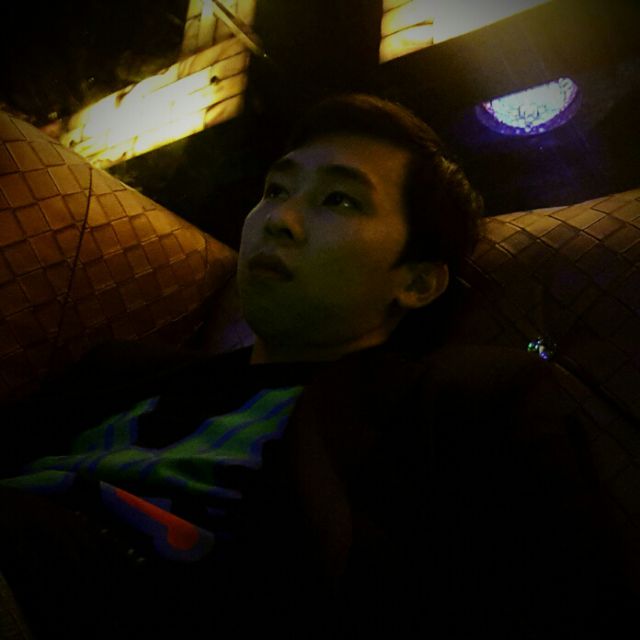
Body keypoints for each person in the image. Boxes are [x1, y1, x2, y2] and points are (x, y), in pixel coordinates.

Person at [0, 93, 634, 638]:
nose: (280, 219)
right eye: (276, 190)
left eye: (340, 200)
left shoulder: (464, 398)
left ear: (416, 282)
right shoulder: (122, 369)